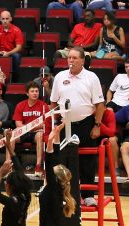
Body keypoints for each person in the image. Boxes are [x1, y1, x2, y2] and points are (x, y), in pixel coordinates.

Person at [49, 46, 105, 207]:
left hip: (86, 124)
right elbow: (53, 103)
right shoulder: (60, 77)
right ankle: (65, 195)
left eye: (74, 58)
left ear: (82, 60)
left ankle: (88, 196)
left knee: (87, 160)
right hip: (64, 125)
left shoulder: (91, 77)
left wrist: (97, 125)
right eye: (69, 58)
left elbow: (100, 105)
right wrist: (54, 124)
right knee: (63, 161)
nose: (71, 61)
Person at [13, 81, 50, 177]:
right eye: (32, 91)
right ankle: (9, 163)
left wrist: (30, 127)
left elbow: (45, 123)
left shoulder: (44, 106)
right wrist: (30, 128)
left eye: (37, 91)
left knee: (40, 135)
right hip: (24, 131)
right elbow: (18, 124)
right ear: (27, 93)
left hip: (36, 133)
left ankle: (38, 165)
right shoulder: (20, 105)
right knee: (11, 135)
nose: (35, 93)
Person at [0, 10, 24, 75]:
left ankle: (14, 76)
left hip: (11, 52)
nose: (5, 21)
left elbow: (19, 47)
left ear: (10, 19)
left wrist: (8, 53)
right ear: (0, 19)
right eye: (3, 19)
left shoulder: (17, 30)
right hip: (0, 52)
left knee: (16, 56)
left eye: (7, 19)